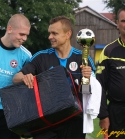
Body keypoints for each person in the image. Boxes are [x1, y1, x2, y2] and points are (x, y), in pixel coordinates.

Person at [13, 16, 97, 139]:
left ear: (68, 34)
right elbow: (15, 78)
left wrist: (88, 80)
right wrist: (24, 78)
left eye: (54, 33)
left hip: (74, 122)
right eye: (49, 33)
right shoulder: (41, 57)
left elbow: (91, 91)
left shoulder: (82, 58)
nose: (49, 37)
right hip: (46, 123)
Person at [0, 14, 32, 139]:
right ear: (10, 29)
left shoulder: (26, 56)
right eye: (21, 34)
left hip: (9, 112)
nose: (24, 38)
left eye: (26, 35)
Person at [96, 7, 125, 139]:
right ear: (117, 24)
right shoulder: (108, 51)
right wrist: (103, 115)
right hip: (116, 113)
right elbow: (99, 86)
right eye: (123, 21)